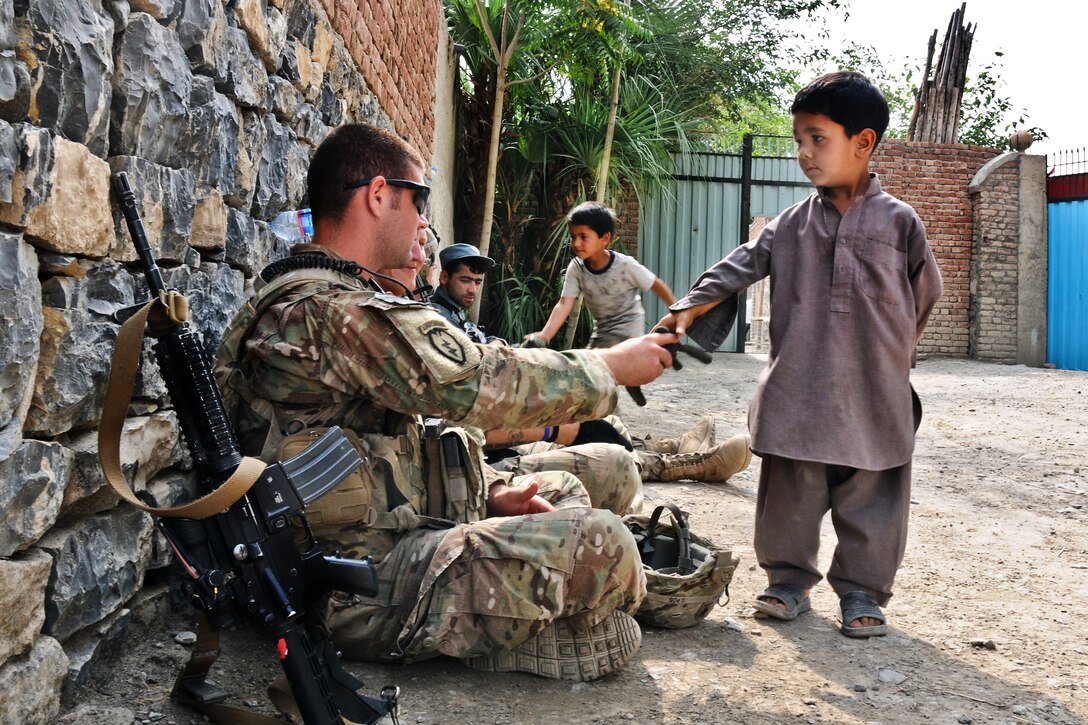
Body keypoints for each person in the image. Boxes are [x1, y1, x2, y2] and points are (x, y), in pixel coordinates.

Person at [214, 122, 679, 681]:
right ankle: (497, 636)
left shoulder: (324, 298)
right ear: (379, 194)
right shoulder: (331, 312)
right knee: (604, 542)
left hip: (381, 544)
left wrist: (492, 495)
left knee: (573, 496)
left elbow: (404, 446)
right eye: (418, 200)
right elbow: (481, 384)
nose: (421, 222)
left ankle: (514, 622)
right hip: (352, 590)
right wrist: (608, 366)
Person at [657, 72, 943, 638]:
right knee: (791, 487)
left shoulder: (900, 222)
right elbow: (736, 267)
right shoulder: (789, 224)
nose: (803, 153)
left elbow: (924, 294)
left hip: (874, 390)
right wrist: (688, 307)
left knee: (874, 493)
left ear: (863, 143)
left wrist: (890, 359)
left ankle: (863, 590)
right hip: (800, 385)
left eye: (818, 139)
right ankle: (787, 580)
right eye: (799, 140)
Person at [528, 201, 676, 349]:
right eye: (573, 237)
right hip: (602, 333)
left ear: (605, 238)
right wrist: (544, 335)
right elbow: (564, 304)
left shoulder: (624, 265)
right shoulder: (577, 268)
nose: (576, 243)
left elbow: (656, 284)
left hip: (629, 334)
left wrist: (676, 312)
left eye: (583, 237)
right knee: (587, 368)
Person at [429, 242, 505, 344]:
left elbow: (470, 330)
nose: (472, 290)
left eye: (478, 282)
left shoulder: (452, 309)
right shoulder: (438, 316)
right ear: (444, 278)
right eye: (465, 280)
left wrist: (497, 341)